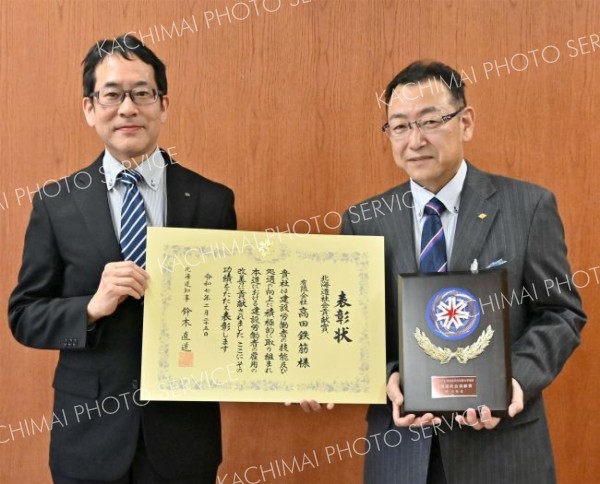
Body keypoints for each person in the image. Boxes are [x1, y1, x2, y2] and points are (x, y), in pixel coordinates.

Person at [303, 60, 586, 483]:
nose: (414, 140)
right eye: (399, 126)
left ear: (465, 122)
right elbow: (355, 333)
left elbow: (561, 314)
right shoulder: (366, 220)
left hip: (502, 449)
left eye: (430, 121)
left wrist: (515, 382)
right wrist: (387, 377)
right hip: (402, 452)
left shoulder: (528, 208)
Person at [8, 35, 236, 483]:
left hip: (182, 439)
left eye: (142, 93)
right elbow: (24, 315)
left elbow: (235, 311)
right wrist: (90, 308)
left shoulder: (211, 200)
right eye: (111, 94)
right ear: (90, 108)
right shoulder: (57, 203)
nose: (127, 108)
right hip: (88, 438)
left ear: (163, 104)